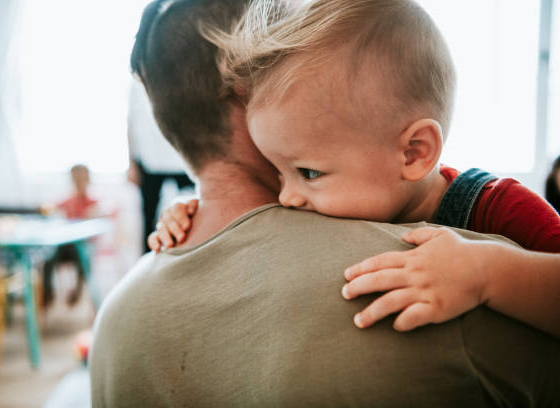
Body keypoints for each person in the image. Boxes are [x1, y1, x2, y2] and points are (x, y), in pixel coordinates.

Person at [89, 0, 560, 406]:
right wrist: (186, 209)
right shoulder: (349, 185)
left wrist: (485, 272)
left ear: (414, 153)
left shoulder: (499, 207)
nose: (290, 196)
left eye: (307, 172)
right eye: (280, 169)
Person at [126, 76, 195, 253]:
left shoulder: (182, 76)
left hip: (182, 158)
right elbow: (130, 124)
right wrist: (131, 164)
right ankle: (146, 260)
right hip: (149, 161)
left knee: (193, 211)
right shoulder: (136, 85)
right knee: (148, 217)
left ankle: (191, 252)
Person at [42, 164, 98, 307]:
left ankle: (77, 292)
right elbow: (51, 206)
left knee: (83, 261)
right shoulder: (68, 201)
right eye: (75, 179)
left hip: (83, 247)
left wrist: (94, 214)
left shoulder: (94, 203)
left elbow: (107, 212)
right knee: (47, 259)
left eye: (81, 179)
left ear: (88, 180)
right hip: (65, 246)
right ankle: (47, 292)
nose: (78, 183)